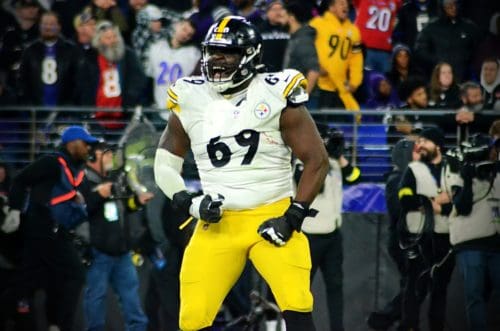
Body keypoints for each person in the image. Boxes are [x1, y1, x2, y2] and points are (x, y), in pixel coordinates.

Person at [153, 16, 329, 331]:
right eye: (212, 52)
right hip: (219, 224)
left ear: (250, 55)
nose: (216, 60)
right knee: (192, 319)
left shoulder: (276, 92)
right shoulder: (190, 96)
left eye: (227, 53)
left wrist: (292, 218)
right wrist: (190, 202)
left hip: (271, 215)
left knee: (297, 305)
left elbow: (316, 159)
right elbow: (164, 163)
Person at [5, 125, 98, 331]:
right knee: (70, 275)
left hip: (57, 232)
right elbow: (21, 180)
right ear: (72, 143)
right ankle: (57, 325)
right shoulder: (51, 163)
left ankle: (54, 323)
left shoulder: (77, 172)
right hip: (41, 229)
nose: (88, 149)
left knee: (42, 281)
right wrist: (14, 210)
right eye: (85, 144)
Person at [79, 141, 152, 331]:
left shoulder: (114, 179)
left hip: (121, 251)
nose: (111, 158)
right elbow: (78, 212)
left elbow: (125, 208)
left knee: (131, 299)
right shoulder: (82, 181)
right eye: (107, 154)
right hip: (97, 252)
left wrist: (137, 202)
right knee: (96, 298)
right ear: (93, 157)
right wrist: (98, 196)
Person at [296, 124, 360, 331]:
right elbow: (317, 187)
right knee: (303, 289)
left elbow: (355, 176)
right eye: (321, 138)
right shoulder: (301, 161)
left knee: (335, 287)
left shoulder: (333, 162)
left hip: (333, 235)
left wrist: (339, 155)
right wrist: (321, 156)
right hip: (309, 235)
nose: (325, 142)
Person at [397, 127, 455, 331]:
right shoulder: (413, 169)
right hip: (419, 236)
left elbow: (462, 200)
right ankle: (409, 326)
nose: (420, 145)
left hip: (446, 238)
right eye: (419, 141)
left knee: (440, 289)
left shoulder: (452, 168)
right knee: (414, 286)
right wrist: (432, 203)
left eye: (425, 141)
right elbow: (405, 198)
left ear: (437, 145)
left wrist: (444, 206)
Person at [445, 133, 500, 331]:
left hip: (495, 243)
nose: (496, 152)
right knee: (474, 295)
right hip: (471, 243)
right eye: (493, 148)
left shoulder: (497, 171)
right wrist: (468, 180)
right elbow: (462, 206)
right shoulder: (458, 169)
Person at [367, 138, 418, 330]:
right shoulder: (396, 180)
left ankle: (392, 320)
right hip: (402, 240)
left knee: (414, 284)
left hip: (408, 239)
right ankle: (390, 319)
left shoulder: (405, 178)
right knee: (413, 285)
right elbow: (399, 210)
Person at [75, 20, 147, 131]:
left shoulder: (128, 56)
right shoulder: (89, 59)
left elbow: (138, 82)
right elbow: (83, 87)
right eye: (108, 38)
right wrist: (89, 110)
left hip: (125, 119)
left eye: (115, 37)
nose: (113, 41)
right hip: (96, 121)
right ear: (99, 41)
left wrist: (129, 103)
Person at [310, 0, 363, 122]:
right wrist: (314, 65)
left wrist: (355, 82)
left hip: (340, 88)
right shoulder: (317, 24)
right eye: (341, 3)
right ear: (332, 7)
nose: (345, 6)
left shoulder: (354, 31)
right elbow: (305, 47)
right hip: (318, 87)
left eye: (346, 4)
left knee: (338, 129)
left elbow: (357, 58)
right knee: (315, 126)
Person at [18, 11, 80, 107]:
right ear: (39, 26)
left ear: (59, 26)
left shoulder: (71, 50)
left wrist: (70, 103)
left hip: (65, 109)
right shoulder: (30, 50)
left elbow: (77, 80)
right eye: (45, 24)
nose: (48, 27)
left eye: (52, 24)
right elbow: (23, 80)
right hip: (35, 109)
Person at [145, 18, 200, 120]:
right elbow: (149, 78)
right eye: (184, 29)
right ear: (177, 25)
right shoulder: (157, 47)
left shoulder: (193, 54)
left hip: (180, 111)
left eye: (189, 35)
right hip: (158, 108)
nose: (185, 35)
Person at [414, 0, 480, 81]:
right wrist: (437, 61)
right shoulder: (431, 27)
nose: (454, 7)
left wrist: (465, 60)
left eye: (456, 3)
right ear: (442, 6)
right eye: (449, 5)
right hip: (438, 79)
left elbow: (479, 50)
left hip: (464, 78)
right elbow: (420, 50)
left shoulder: (469, 27)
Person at [282, 1, 319, 100]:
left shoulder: (303, 40)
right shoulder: (295, 37)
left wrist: (302, 98)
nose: (281, 20)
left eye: (283, 16)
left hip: (304, 102)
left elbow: (314, 71)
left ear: (291, 17)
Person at [353, 0, 402, 73]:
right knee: (365, 80)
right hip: (365, 49)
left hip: (385, 51)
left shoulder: (394, 2)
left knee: (385, 81)